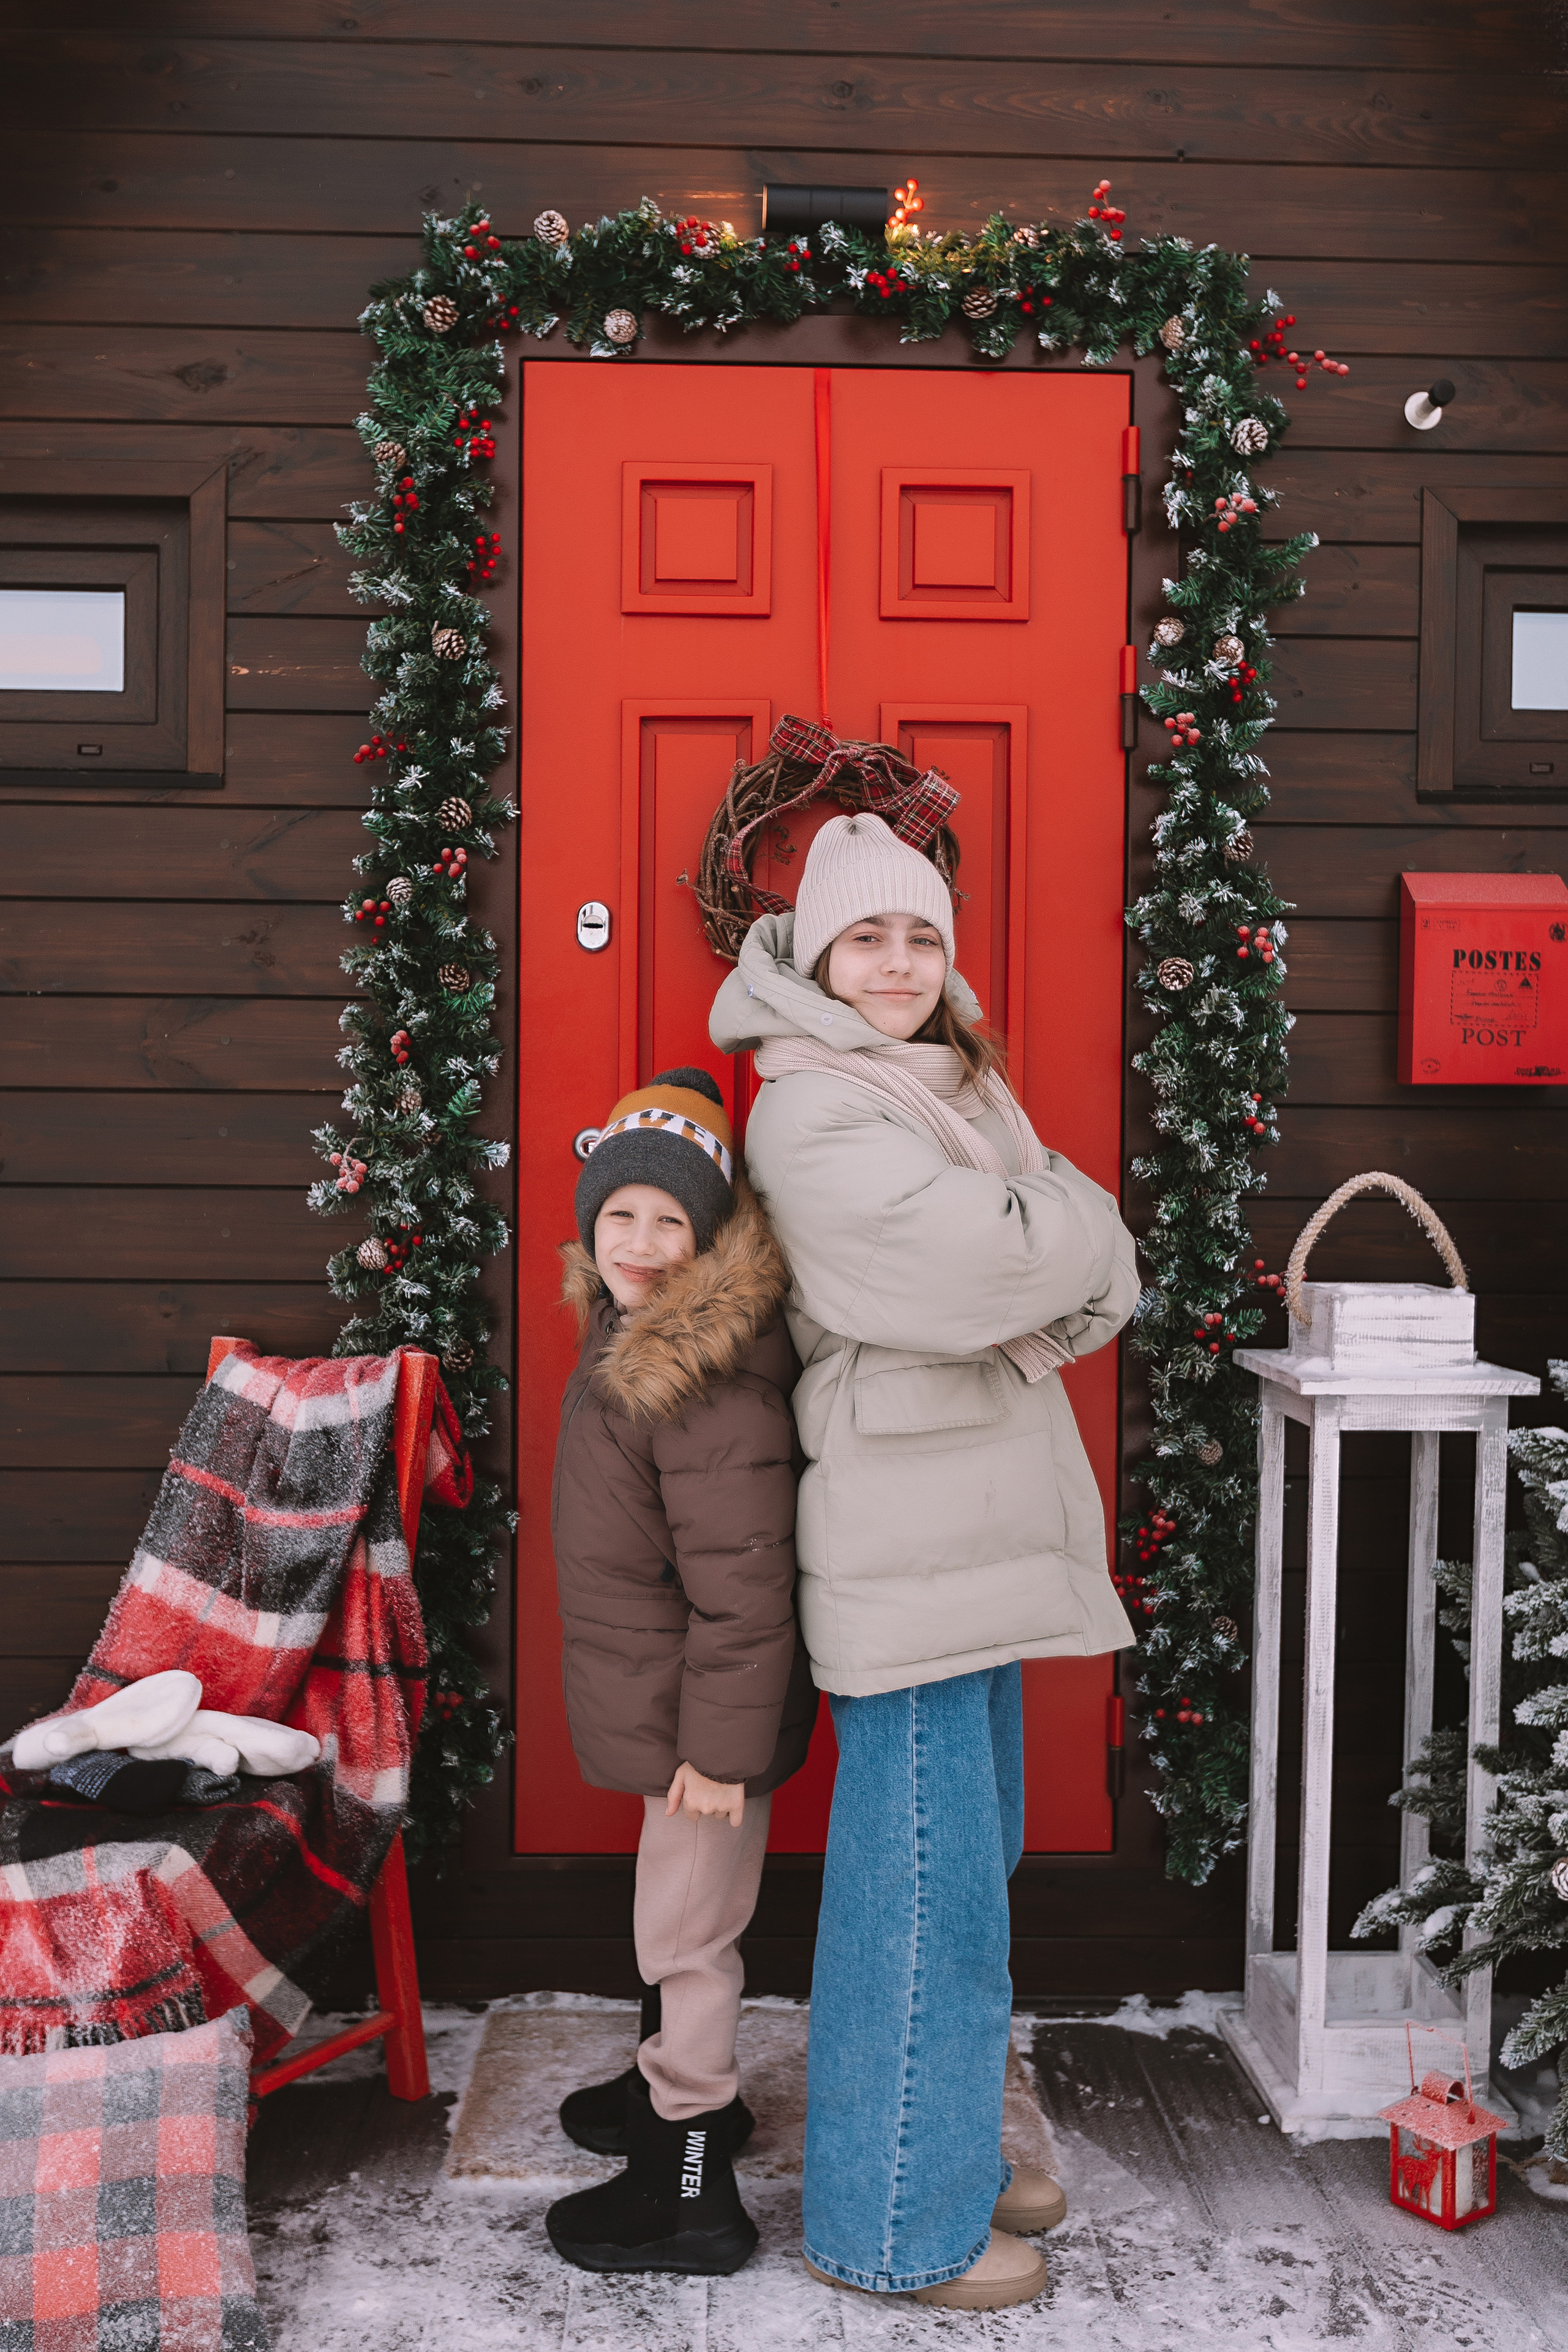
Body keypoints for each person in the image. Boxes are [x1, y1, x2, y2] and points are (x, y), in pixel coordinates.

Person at [710, 813, 1140, 2312]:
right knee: (918, 1905)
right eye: (867, 937)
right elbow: (997, 1267)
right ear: (816, 952)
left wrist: (1052, 1238)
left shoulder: (945, 1081)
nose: (896, 965)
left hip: (974, 1527)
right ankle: (893, 2220)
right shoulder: (813, 1109)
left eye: (921, 938)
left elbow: (1089, 1270)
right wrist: (1057, 1224)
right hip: (907, 1535)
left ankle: (937, 2150)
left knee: (971, 1872)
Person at [543, 1066, 815, 2278]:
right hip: (674, 1709)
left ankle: (689, 2186)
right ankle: (678, 2106)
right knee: (675, 1924)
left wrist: (718, 1751)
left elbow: (745, 1584)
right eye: (620, 1219)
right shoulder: (637, 1339)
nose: (642, 1245)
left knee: (689, 1940)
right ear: (589, 1227)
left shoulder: (700, 1376)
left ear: (708, 1237)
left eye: (670, 1222)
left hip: (708, 1725)